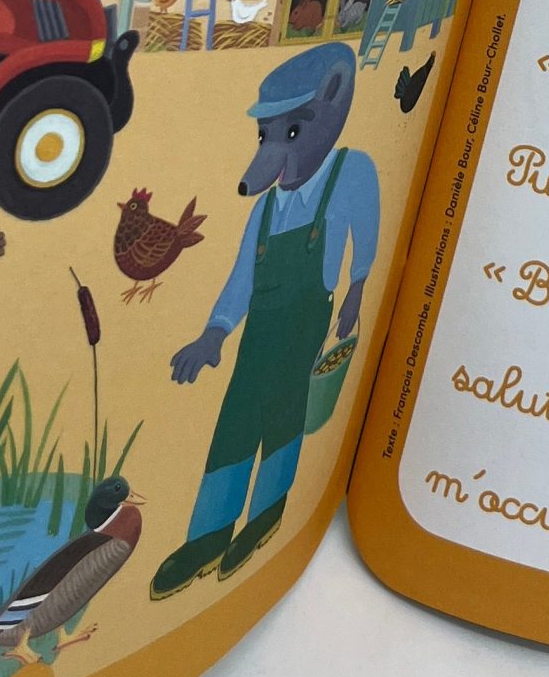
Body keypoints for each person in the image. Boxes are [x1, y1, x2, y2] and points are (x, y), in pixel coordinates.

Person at [152, 43, 379, 594]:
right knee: (237, 415)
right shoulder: (266, 208)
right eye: (266, 136)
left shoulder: (350, 171)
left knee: (284, 410)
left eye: (291, 133)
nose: (275, 151)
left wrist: (357, 287)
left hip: (307, 318)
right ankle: (208, 533)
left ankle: (268, 511)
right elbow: (241, 279)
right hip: (260, 328)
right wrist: (214, 333)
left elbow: (367, 228)